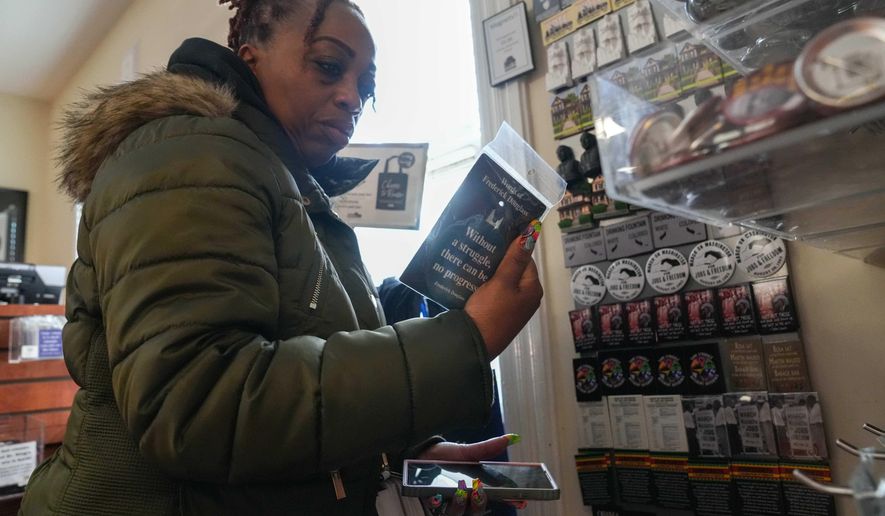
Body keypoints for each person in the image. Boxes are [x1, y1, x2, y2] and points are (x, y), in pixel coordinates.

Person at [19, 1, 543, 514]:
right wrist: (467, 340)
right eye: (329, 66)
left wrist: (397, 455)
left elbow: (302, 359)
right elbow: (197, 408)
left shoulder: (288, 188)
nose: (350, 98)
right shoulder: (190, 153)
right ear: (251, 56)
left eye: (366, 86)